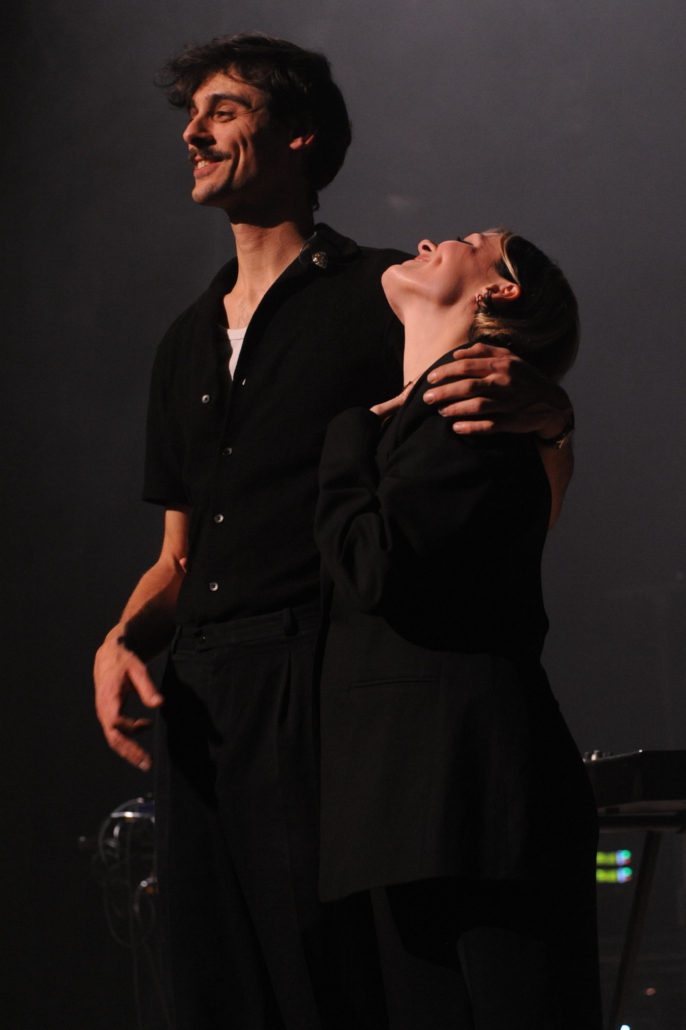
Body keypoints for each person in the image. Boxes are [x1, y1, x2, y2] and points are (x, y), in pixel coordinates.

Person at [92, 34, 578, 1030]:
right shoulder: (183, 340)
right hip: (201, 697)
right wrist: (122, 637)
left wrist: (554, 418)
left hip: (316, 683)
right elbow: (180, 555)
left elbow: (498, 469)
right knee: (212, 984)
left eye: (224, 110)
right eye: (192, 115)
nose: (193, 133)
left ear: (299, 134)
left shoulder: (382, 293)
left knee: (326, 985)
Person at [315, 230, 601, 1029]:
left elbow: (375, 566)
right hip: (421, 810)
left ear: (498, 290)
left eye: (471, 241)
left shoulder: (469, 413)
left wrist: (345, 434)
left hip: (469, 808)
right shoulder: (421, 422)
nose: (428, 239)